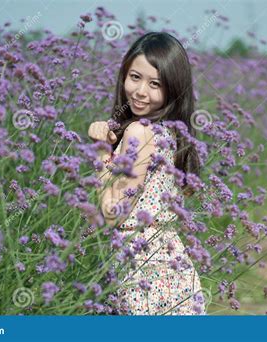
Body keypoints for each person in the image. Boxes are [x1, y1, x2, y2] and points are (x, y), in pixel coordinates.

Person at [88, 32, 206, 315]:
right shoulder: (169, 133)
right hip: (168, 264)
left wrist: (102, 151)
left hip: (141, 267)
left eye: (155, 84)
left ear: (172, 89)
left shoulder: (139, 132)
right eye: (134, 77)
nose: (141, 91)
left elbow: (112, 213)